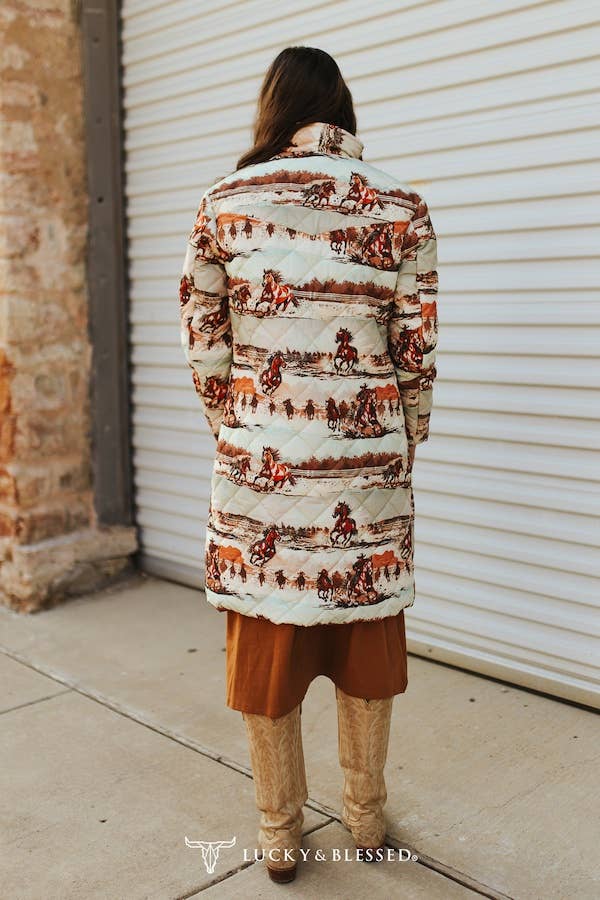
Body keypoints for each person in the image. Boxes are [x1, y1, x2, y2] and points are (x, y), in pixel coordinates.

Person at [178, 46, 438, 883]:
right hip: (367, 476)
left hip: (263, 480)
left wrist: (238, 429)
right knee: (368, 659)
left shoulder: (224, 203)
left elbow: (204, 344)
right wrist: (400, 442)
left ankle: (280, 835)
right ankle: (365, 818)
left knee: (268, 663)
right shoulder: (400, 206)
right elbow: (416, 352)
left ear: (274, 108)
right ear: (342, 108)